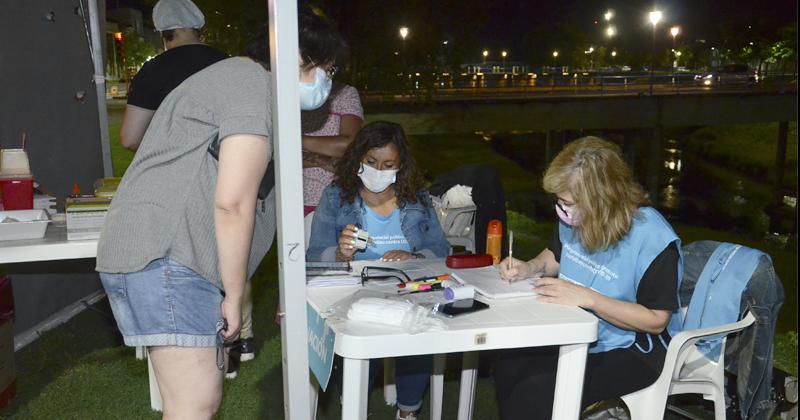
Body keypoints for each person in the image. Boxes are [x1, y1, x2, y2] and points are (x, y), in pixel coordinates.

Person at [96, 10, 345, 419]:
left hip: (166, 255)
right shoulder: (251, 85)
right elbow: (233, 202)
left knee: (192, 403)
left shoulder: (243, 83)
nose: (327, 81)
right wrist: (233, 294)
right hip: (169, 255)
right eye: (326, 67)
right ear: (299, 56)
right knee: (194, 406)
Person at [492, 136, 683, 420]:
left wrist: (587, 298)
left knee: (537, 390)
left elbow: (655, 321)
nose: (562, 211)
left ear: (601, 200)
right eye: (559, 201)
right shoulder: (575, 216)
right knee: (509, 362)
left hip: (635, 350)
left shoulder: (653, 238)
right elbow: (555, 256)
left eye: (568, 203)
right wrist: (529, 267)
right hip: (576, 333)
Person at [306, 121, 450, 420]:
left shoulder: (416, 198)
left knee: (418, 330)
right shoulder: (337, 196)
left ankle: (408, 412)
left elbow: (441, 250)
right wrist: (339, 252)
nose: (378, 171)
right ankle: (354, 400)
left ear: (401, 166)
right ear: (358, 158)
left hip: (406, 288)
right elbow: (312, 256)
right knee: (362, 331)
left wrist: (412, 255)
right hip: (354, 289)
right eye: (370, 162)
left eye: (388, 165)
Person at [119, 0, 228, 151]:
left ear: (162, 32)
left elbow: (130, 139)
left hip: (175, 170)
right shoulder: (227, 63)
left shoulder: (153, 70)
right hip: (223, 166)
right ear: (197, 26)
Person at [301, 82, 364, 243]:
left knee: (348, 257)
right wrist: (328, 157)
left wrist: (296, 140)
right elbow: (281, 152)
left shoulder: (345, 93)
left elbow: (349, 145)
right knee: (306, 261)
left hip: (342, 201)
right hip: (298, 201)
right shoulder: (289, 93)